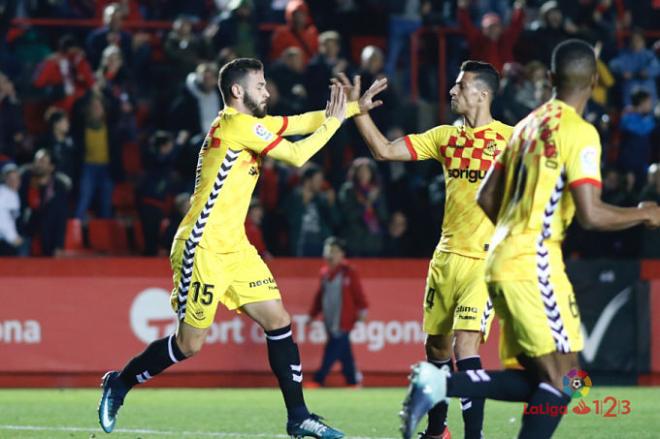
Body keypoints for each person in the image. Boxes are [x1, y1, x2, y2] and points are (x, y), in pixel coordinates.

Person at [97, 57, 382, 438]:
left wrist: (350, 109)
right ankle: (120, 381)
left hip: (236, 247)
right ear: (237, 91)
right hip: (202, 246)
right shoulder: (235, 126)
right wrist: (334, 121)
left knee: (278, 321)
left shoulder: (252, 125)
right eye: (261, 85)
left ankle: (298, 417)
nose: (268, 90)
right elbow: (298, 154)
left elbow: (299, 123)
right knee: (188, 344)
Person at [400, 39, 660, 439]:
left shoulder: (524, 127)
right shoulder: (580, 131)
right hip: (534, 262)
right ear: (594, 81)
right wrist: (646, 213)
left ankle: (442, 384)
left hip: (501, 260)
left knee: (561, 379)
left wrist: (510, 232)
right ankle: (441, 384)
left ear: (552, 79)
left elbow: (487, 195)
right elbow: (591, 214)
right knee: (562, 380)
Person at [339, 59, 513, 439]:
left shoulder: (511, 141)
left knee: (466, 345)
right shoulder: (444, 138)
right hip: (445, 259)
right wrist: (357, 113)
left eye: (460, 85)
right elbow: (384, 151)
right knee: (436, 351)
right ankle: (437, 432)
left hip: (483, 262)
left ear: (482, 94)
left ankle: (475, 435)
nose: (452, 91)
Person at [307, 236, 368, 387]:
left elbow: (358, 293)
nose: (331, 255)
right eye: (328, 251)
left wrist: (363, 310)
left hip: (344, 320)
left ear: (342, 254)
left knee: (332, 350)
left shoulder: (349, 272)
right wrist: (312, 314)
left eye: (334, 251)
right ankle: (353, 381)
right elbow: (320, 296)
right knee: (344, 352)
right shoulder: (324, 274)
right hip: (330, 320)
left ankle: (318, 379)